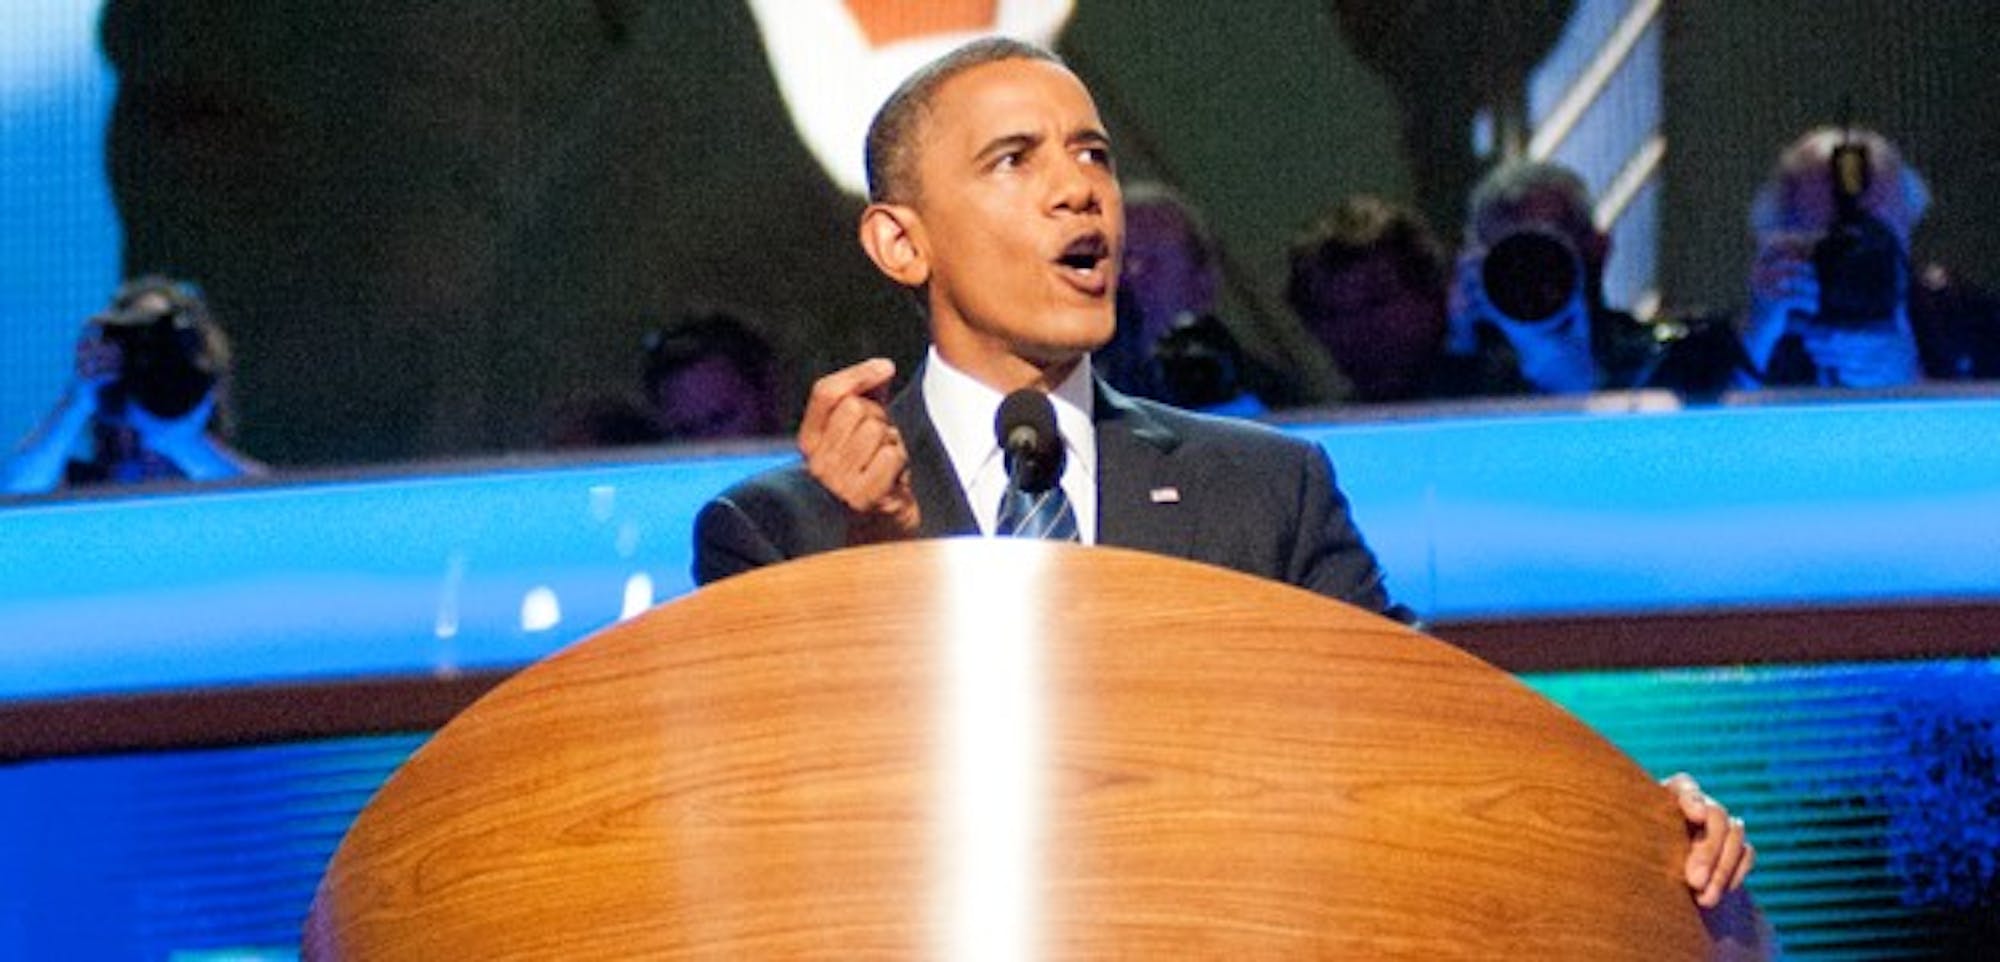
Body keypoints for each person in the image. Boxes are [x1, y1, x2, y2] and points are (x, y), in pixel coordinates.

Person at [690, 37, 1752, 909]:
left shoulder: (1263, 490)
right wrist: (873, 550)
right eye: (1015, 159)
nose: (1078, 192)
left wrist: (1626, 821)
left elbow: (1436, 746)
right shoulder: (778, 529)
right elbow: (795, 843)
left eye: (1093, 154)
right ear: (898, 241)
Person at [1447, 161, 1742, 399]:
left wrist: (1579, 382)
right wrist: (1459, 345)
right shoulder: (1456, 367)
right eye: (1509, 254)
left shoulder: (1656, 356)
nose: (1529, 271)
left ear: (1597, 249)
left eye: (1545, 249)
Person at [1740, 126, 2000, 389]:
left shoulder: (1962, 319)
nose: (1856, 256)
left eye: (1876, 234)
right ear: (1781, 234)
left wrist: (1912, 383)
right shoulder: (1768, 331)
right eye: (1834, 240)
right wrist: (1757, 339)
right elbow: (1717, 424)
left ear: (1907, 224)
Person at [2, 276, 263, 495]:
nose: (150, 362)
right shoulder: (80, 481)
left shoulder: (220, 473)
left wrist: (180, 441)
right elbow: (13, 500)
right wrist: (79, 400)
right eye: (137, 345)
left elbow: (270, 514)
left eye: (164, 347)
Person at [1098, 181, 1267, 416]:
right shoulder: (1077, 385)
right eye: (1120, 260)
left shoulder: (1255, 390)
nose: (1130, 277)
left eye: (1151, 263)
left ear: (1202, 283)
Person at [1285, 195, 1453, 403]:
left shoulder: (1500, 394)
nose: (1354, 333)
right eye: (1331, 313)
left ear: (1435, 292)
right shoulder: (1336, 429)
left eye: (1377, 301)